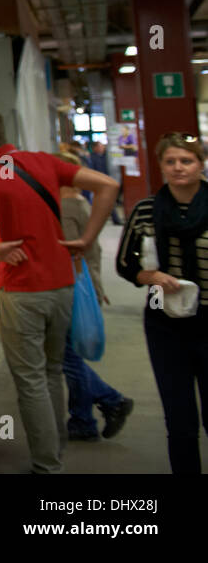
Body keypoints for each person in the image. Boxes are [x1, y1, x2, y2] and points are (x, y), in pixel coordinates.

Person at [0, 108, 119, 474]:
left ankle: (47, 465)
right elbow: (109, 186)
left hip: (21, 289)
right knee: (51, 371)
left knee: (30, 380)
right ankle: (54, 450)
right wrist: (87, 238)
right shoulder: (43, 162)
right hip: (61, 285)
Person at [115, 132, 208, 474]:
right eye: (170, 162)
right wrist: (151, 277)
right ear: (160, 166)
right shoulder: (146, 211)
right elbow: (125, 265)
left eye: (187, 160)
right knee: (180, 419)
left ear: (201, 163)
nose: (178, 168)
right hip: (164, 323)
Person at [56, 151, 133, 442]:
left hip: (73, 287)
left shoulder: (65, 207)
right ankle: (82, 419)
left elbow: (68, 251)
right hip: (86, 282)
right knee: (69, 354)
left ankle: (111, 400)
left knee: (67, 357)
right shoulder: (80, 201)